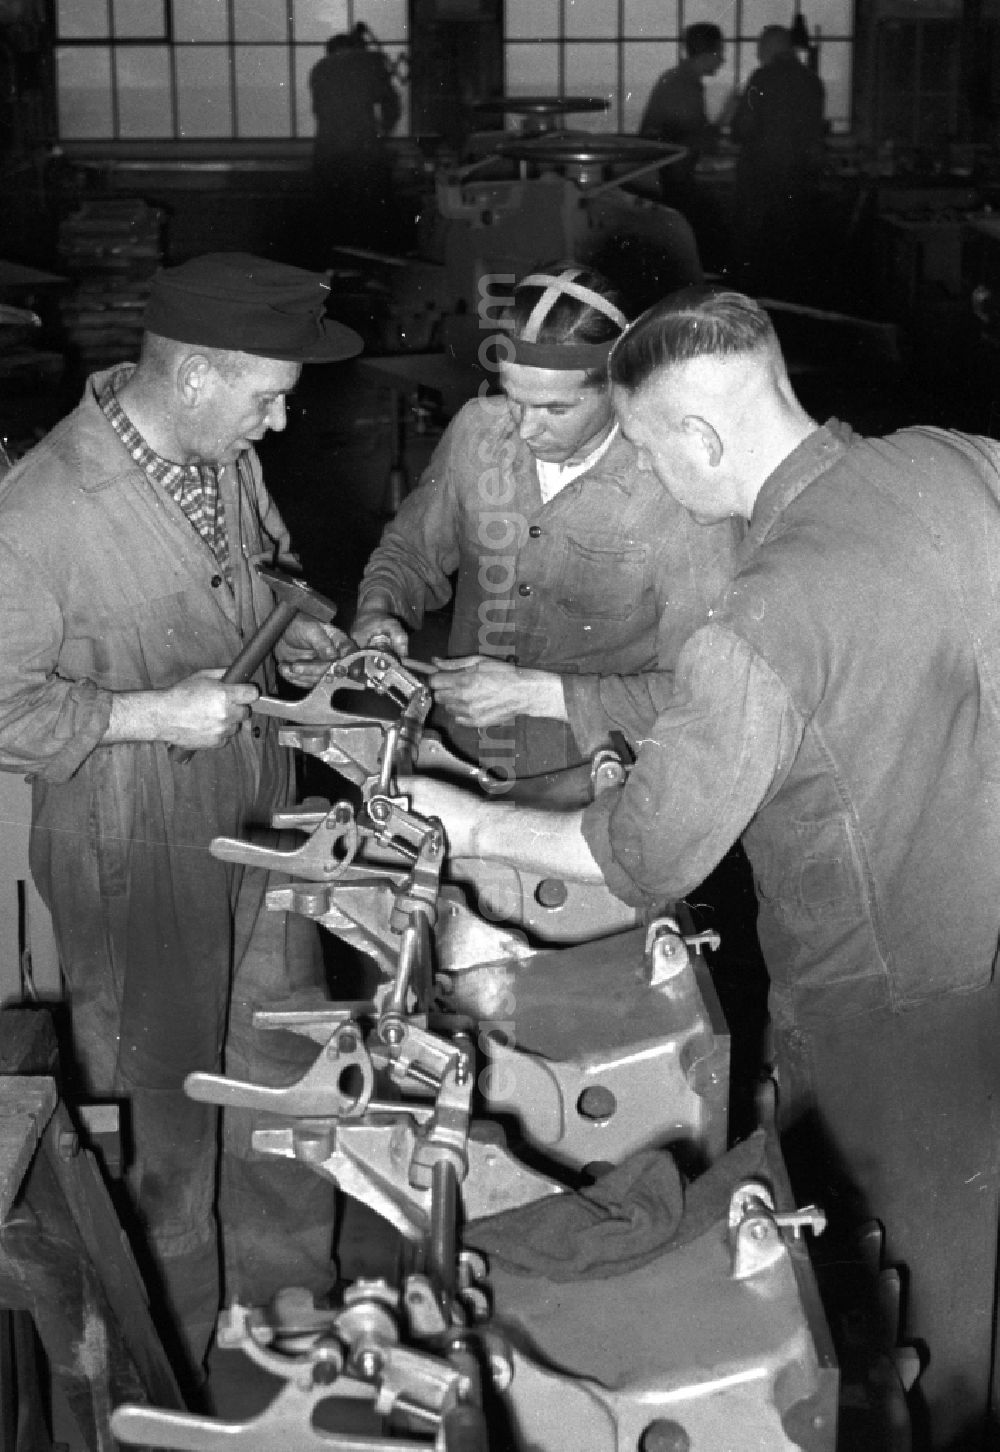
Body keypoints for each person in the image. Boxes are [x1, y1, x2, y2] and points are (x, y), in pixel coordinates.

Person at [403, 287, 1000, 1449]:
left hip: (872, 1010)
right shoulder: (956, 464)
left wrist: (466, 822)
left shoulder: (763, 618)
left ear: (700, 440)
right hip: (982, 956)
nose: (663, 483)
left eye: (652, 451)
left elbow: (637, 855)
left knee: (870, 1315)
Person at [0, 253, 361, 1400]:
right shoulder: (44, 508)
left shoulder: (218, 457)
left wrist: (308, 642)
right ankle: (182, 1375)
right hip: (130, 839)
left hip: (258, 805)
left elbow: (261, 582)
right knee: (168, 1121)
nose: (282, 416)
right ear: (195, 374)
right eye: (266, 392)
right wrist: (148, 712)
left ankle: (293, 1323)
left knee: (286, 1070)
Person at [351, 264, 741, 782]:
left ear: (619, 389)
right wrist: (379, 612)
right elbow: (410, 554)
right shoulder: (477, 431)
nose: (525, 428)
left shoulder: (680, 492)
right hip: (465, 758)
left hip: (601, 779)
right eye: (514, 397)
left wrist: (541, 695)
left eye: (556, 408)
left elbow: (710, 691)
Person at [730, 25, 826, 297]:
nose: (757, 53)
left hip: (759, 182)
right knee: (791, 260)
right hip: (799, 183)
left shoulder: (762, 78)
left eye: (760, 47)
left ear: (771, 47)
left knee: (755, 261)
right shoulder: (812, 81)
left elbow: (741, 129)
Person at [639, 21, 735, 257]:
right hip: (669, 184)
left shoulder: (677, 80)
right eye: (720, 53)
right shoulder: (684, 87)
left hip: (662, 180)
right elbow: (694, 141)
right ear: (707, 54)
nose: (722, 60)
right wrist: (726, 115)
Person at [308, 22, 402, 254]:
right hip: (365, 152)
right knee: (370, 217)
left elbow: (320, 111)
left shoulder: (319, 68)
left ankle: (334, 264)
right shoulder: (369, 63)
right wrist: (383, 132)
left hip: (327, 152)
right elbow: (392, 106)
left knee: (332, 215)